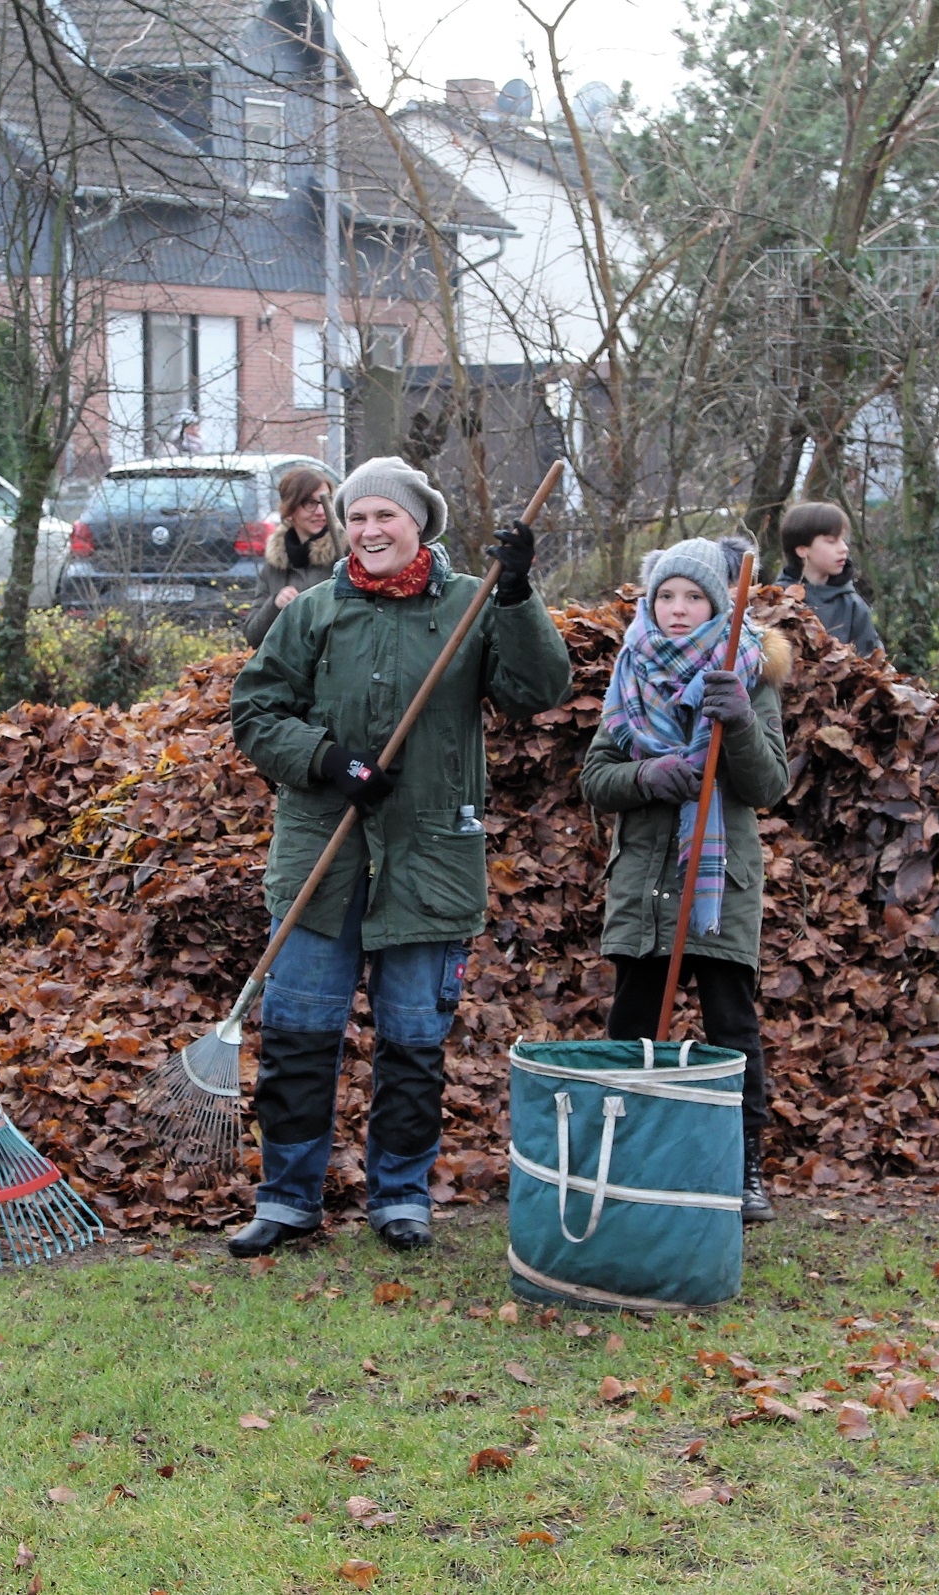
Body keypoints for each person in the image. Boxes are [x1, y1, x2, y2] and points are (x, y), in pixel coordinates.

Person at [228, 457, 573, 1257]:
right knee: (299, 1033)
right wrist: (326, 761)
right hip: (323, 853)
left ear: (420, 522)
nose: (370, 530)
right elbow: (255, 709)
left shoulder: (470, 604)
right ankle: (287, 1199)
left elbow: (540, 688)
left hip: (429, 856)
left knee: (414, 1039)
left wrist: (518, 594)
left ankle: (400, 1196)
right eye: (356, 517)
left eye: (387, 515)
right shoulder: (313, 611)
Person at [581, 535, 792, 1223]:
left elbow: (768, 785)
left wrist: (737, 723)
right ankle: (629, 1156)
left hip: (718, 883)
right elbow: (596, 778)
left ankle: (743, 1167)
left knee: (732, 1027)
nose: (676, 608)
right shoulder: (630, 669)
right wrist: (653, 775)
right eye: (666, 594)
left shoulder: (748, 673)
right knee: (634, 1024)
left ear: (716, 603)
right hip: (644, 884)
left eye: (693, 596)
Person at [242, 466, 340, 647]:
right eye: (310, 503)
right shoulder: (275, 565)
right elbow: (253, 637)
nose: (320, 511)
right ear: (290, 509)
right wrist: (275, 605)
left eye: (326, 502)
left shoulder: (346, 556)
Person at [779, 501, 881, 656]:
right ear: (802, 550)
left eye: (843, 540)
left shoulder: (853, 606)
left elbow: (872, 663)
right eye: (832, 541)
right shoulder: (776, 601)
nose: (844, 548)